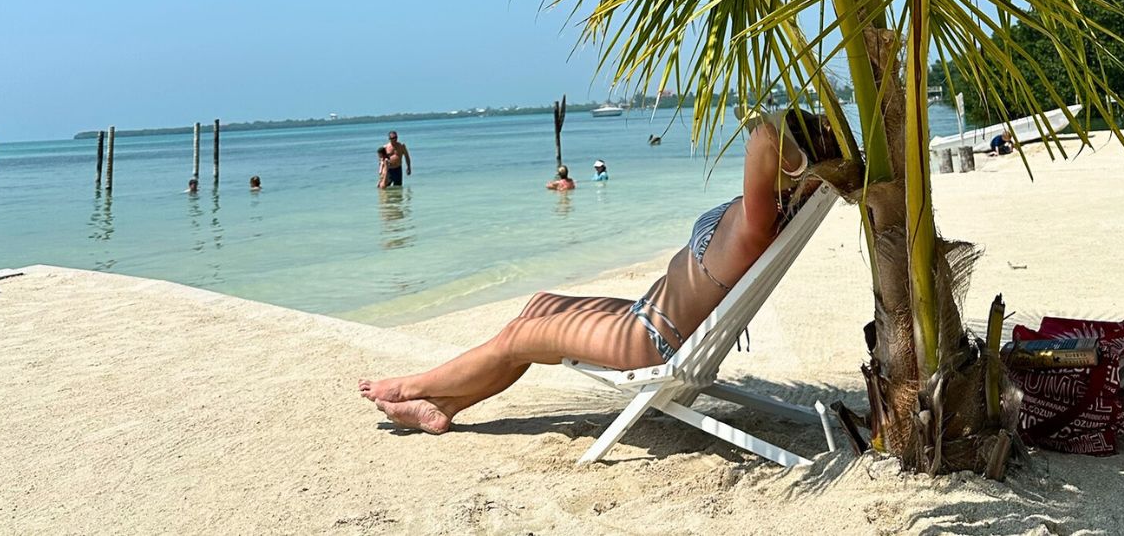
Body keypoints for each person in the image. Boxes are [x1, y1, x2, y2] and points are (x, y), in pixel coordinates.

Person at [357, 112, 843, 434]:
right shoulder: (768, 214)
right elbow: (768, 141)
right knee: (540, 304)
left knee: (516, 337)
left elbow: (763, 134)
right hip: (645, 318)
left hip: (648, 338)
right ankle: (446, 407)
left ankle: (413, 387)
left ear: (790, 164)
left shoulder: (761, 219)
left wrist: (793, 142)